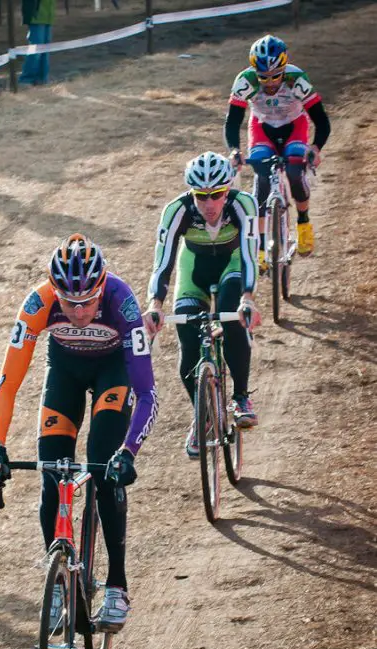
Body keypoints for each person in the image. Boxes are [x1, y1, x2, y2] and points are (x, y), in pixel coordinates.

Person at [0, 234, 158, 632]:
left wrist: (128, 451)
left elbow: (147, 393)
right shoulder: (38, 302)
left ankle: (117, 584)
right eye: (68, 303)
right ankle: (60, 582)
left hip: (113, 370)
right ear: (53, 291)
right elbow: (7, 383)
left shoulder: (122, 301)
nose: (78, 313)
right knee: (52, 475)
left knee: (103, 463)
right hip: (64, 370)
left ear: (102, 289)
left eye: (87, 302)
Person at [143, 152, 261, 459]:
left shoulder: (243, 204)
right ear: (191, 193)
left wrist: (248, 298)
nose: (209, 205)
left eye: (217, 195)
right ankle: (203, 414)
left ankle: (241, 398)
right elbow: (163, 261)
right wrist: (155, 304)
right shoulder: (176, 210)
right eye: (201, 196)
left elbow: (249, 254)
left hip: (231, 265)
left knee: (231, 313)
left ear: (228, 189)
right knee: (187, 341)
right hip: (193, 268)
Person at [225, 34, 331, 267]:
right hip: (262, 128)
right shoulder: (245, 80)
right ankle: (262, 247)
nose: (270, 82)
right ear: (255, 71)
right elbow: (233, 121)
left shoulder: (297, 78)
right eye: (263, 77)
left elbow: (321, 120)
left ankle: (303, 222)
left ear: (284, 68)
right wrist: (234, 150)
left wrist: (315, 147)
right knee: (262, 182)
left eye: (276, 76)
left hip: (295, 126)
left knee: (294, 171)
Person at [19, 0, 56, 86]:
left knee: (45, 50)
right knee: (35, 50)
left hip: (48, 15)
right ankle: (27, 79)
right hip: (36, 16)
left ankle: (42, 79)